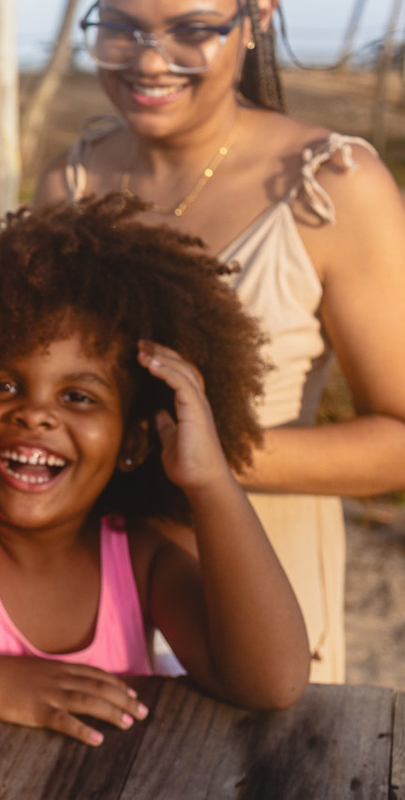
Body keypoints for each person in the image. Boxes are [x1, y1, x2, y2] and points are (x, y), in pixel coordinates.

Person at [33, 0, 405, 683]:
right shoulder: (68, 183)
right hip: (92, 607)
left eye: (192, 29)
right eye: (120, 27)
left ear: (257, 16)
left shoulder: (333, 188)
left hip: (264, 605)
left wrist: (193, 457)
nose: (148, 60)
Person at [0, 196, 311, 746]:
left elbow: (272, 681)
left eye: (78, 396)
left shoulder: (142, 552)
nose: (36, 413)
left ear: (134, 439)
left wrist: (211, 482)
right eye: (3, 385)